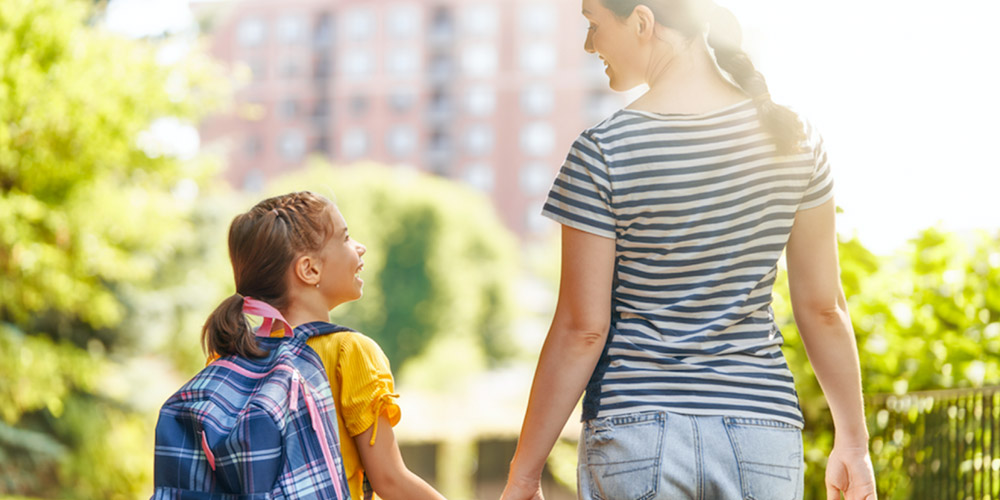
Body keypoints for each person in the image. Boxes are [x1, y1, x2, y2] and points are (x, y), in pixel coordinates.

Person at [500, 1, 877, 499]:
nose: (589, 45)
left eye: (593, 26)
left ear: (641, 21)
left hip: (635, 430)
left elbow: (582, 329)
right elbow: (823, 309)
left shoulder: (603, 150)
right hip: (760, 429)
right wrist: (853, 442)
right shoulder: (795, 141)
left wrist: (524, 474)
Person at [205, 191, 447, 500]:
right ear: (309, 270)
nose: (360, 247)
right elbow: (390, 480)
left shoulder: (231, 356)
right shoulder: (348, 351)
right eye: (345, 238)